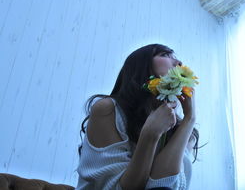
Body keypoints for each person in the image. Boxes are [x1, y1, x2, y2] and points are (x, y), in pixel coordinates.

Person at [76, 44, 199, 190]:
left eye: (176, 58)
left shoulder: (183, 130)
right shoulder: (108, 110)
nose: (179, 63)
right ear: (141, 65)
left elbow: (163, 186)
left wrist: (190, 118)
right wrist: (150, 135)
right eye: (165, 55)